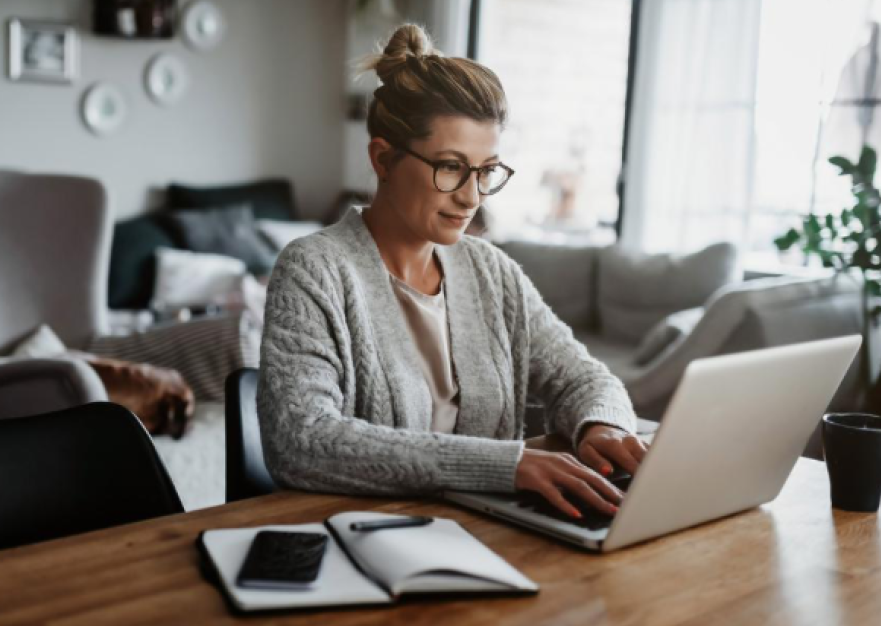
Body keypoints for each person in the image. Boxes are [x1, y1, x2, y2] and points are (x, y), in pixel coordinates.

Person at [257, 24, 648, 519]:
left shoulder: (491, 270)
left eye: (486, 171)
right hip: (365, 540)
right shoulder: (315, 270)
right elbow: (302, 440)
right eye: (450, 167)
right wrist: (507, 465)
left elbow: (584, 378)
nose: (471, 196)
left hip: (490, 532)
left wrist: (603, 426)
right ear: (383, 158)